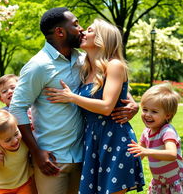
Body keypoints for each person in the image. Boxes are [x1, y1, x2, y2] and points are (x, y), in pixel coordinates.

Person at [9, 7, 139, 194]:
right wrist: (37, 152)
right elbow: (17, 107)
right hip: (53, 157)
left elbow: (110, 79)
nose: (81, 29)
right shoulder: (38, 66)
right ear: (60, 32)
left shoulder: (83, 60)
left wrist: (132, 104)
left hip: (85, 153)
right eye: (76, 24)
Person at [46, 19, 145, 193]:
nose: (83, 32)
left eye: (90, 30)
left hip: (114, 139)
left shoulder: (114, 65)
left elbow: (107, 106)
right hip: (92, 140)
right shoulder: (85, 67)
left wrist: (71, 97)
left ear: (102, 38)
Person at [128, 83, 183, 193]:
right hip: (160, 183)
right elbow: (139, 154)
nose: (147, 114)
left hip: (175, 181)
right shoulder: (146, 132)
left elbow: (172, 154)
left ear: (167, 115)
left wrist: (146, 151)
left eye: (154, 111)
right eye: (145, 109)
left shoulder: (167, 131)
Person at [0, 110, 35, 194]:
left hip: (24, 183)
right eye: (8, 140)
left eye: (16, 134)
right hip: (2, 188)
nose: (15, 140)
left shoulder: (23, 140)